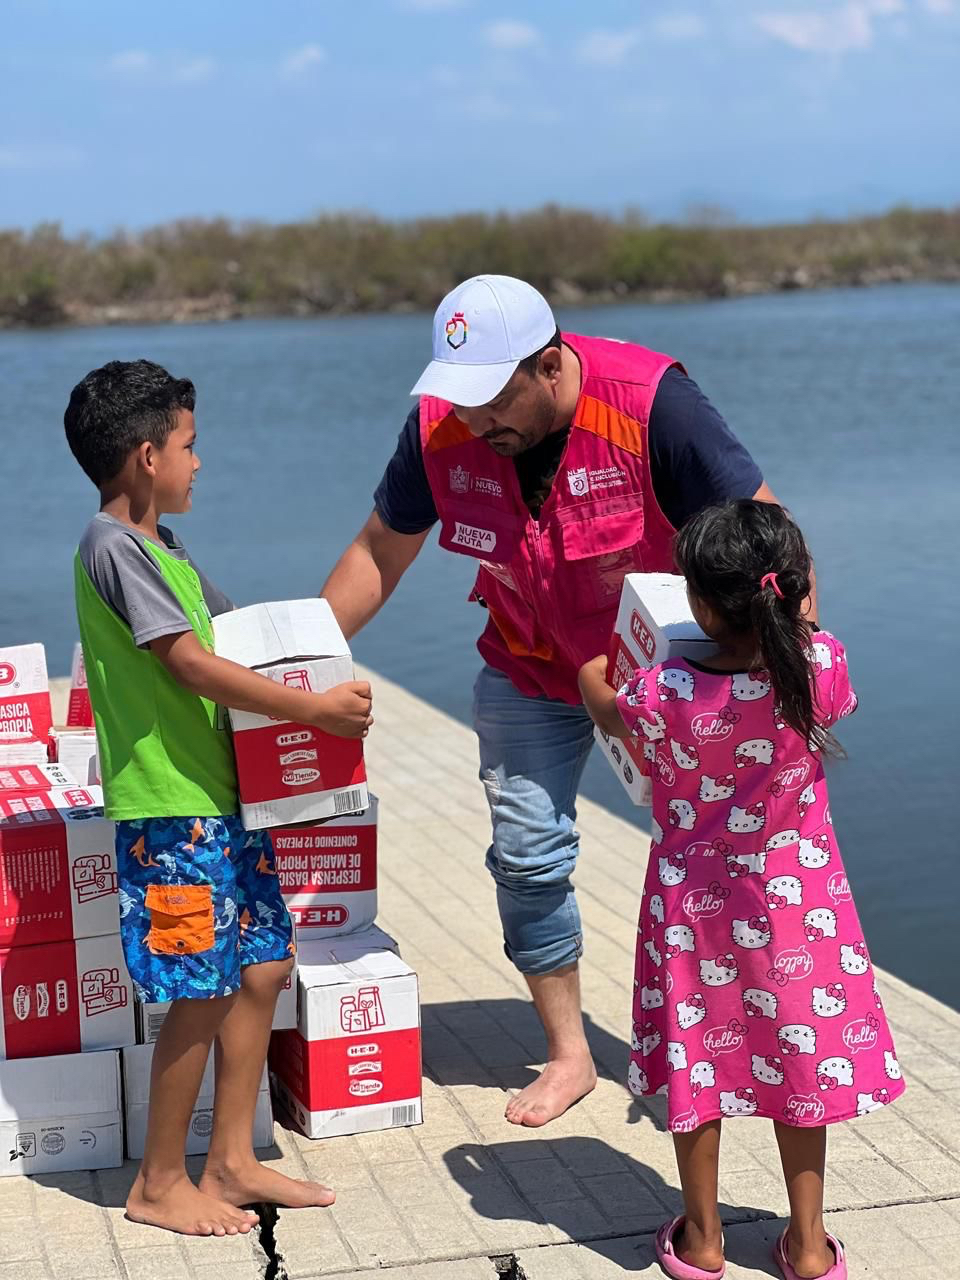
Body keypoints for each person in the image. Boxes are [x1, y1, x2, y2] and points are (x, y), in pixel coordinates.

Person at [323, 275, 812, 1127]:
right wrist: (297, 667)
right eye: (459, 400)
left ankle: (735, 1041)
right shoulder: (441, 426)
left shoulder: (655, 405)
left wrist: (788, 673)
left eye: (492, 400)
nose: (474, 422)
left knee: (722, 861)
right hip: (527, 666)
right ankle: (570, 1053)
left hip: (665, 682)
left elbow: (767, 540)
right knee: (525, 853)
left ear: (550, 365)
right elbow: (378, 551)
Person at [65, 360, 373, 1237]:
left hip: (225, 801)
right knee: (197, 989)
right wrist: (313, 707)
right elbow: (192, 664)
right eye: (191, 447)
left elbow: (237, 638)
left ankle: (233, 1161)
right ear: (144, 454)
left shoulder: (164, 548)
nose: (201, 464)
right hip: (171, 811)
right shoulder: (111, 546)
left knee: (264, 965)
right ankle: (159, 1182)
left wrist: (314, 653)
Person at [579, 499, 902, 1280]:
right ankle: (813, 1245)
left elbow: (599, 697)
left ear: (697, 604)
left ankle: (703, 1237)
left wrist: (601, 667)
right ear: (792, 591)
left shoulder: (663, 692)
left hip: (696, 914)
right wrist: (804, 615)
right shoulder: (821, 669)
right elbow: (817, 653)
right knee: (802, 1064)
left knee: (701, 1061)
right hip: (800, 909)